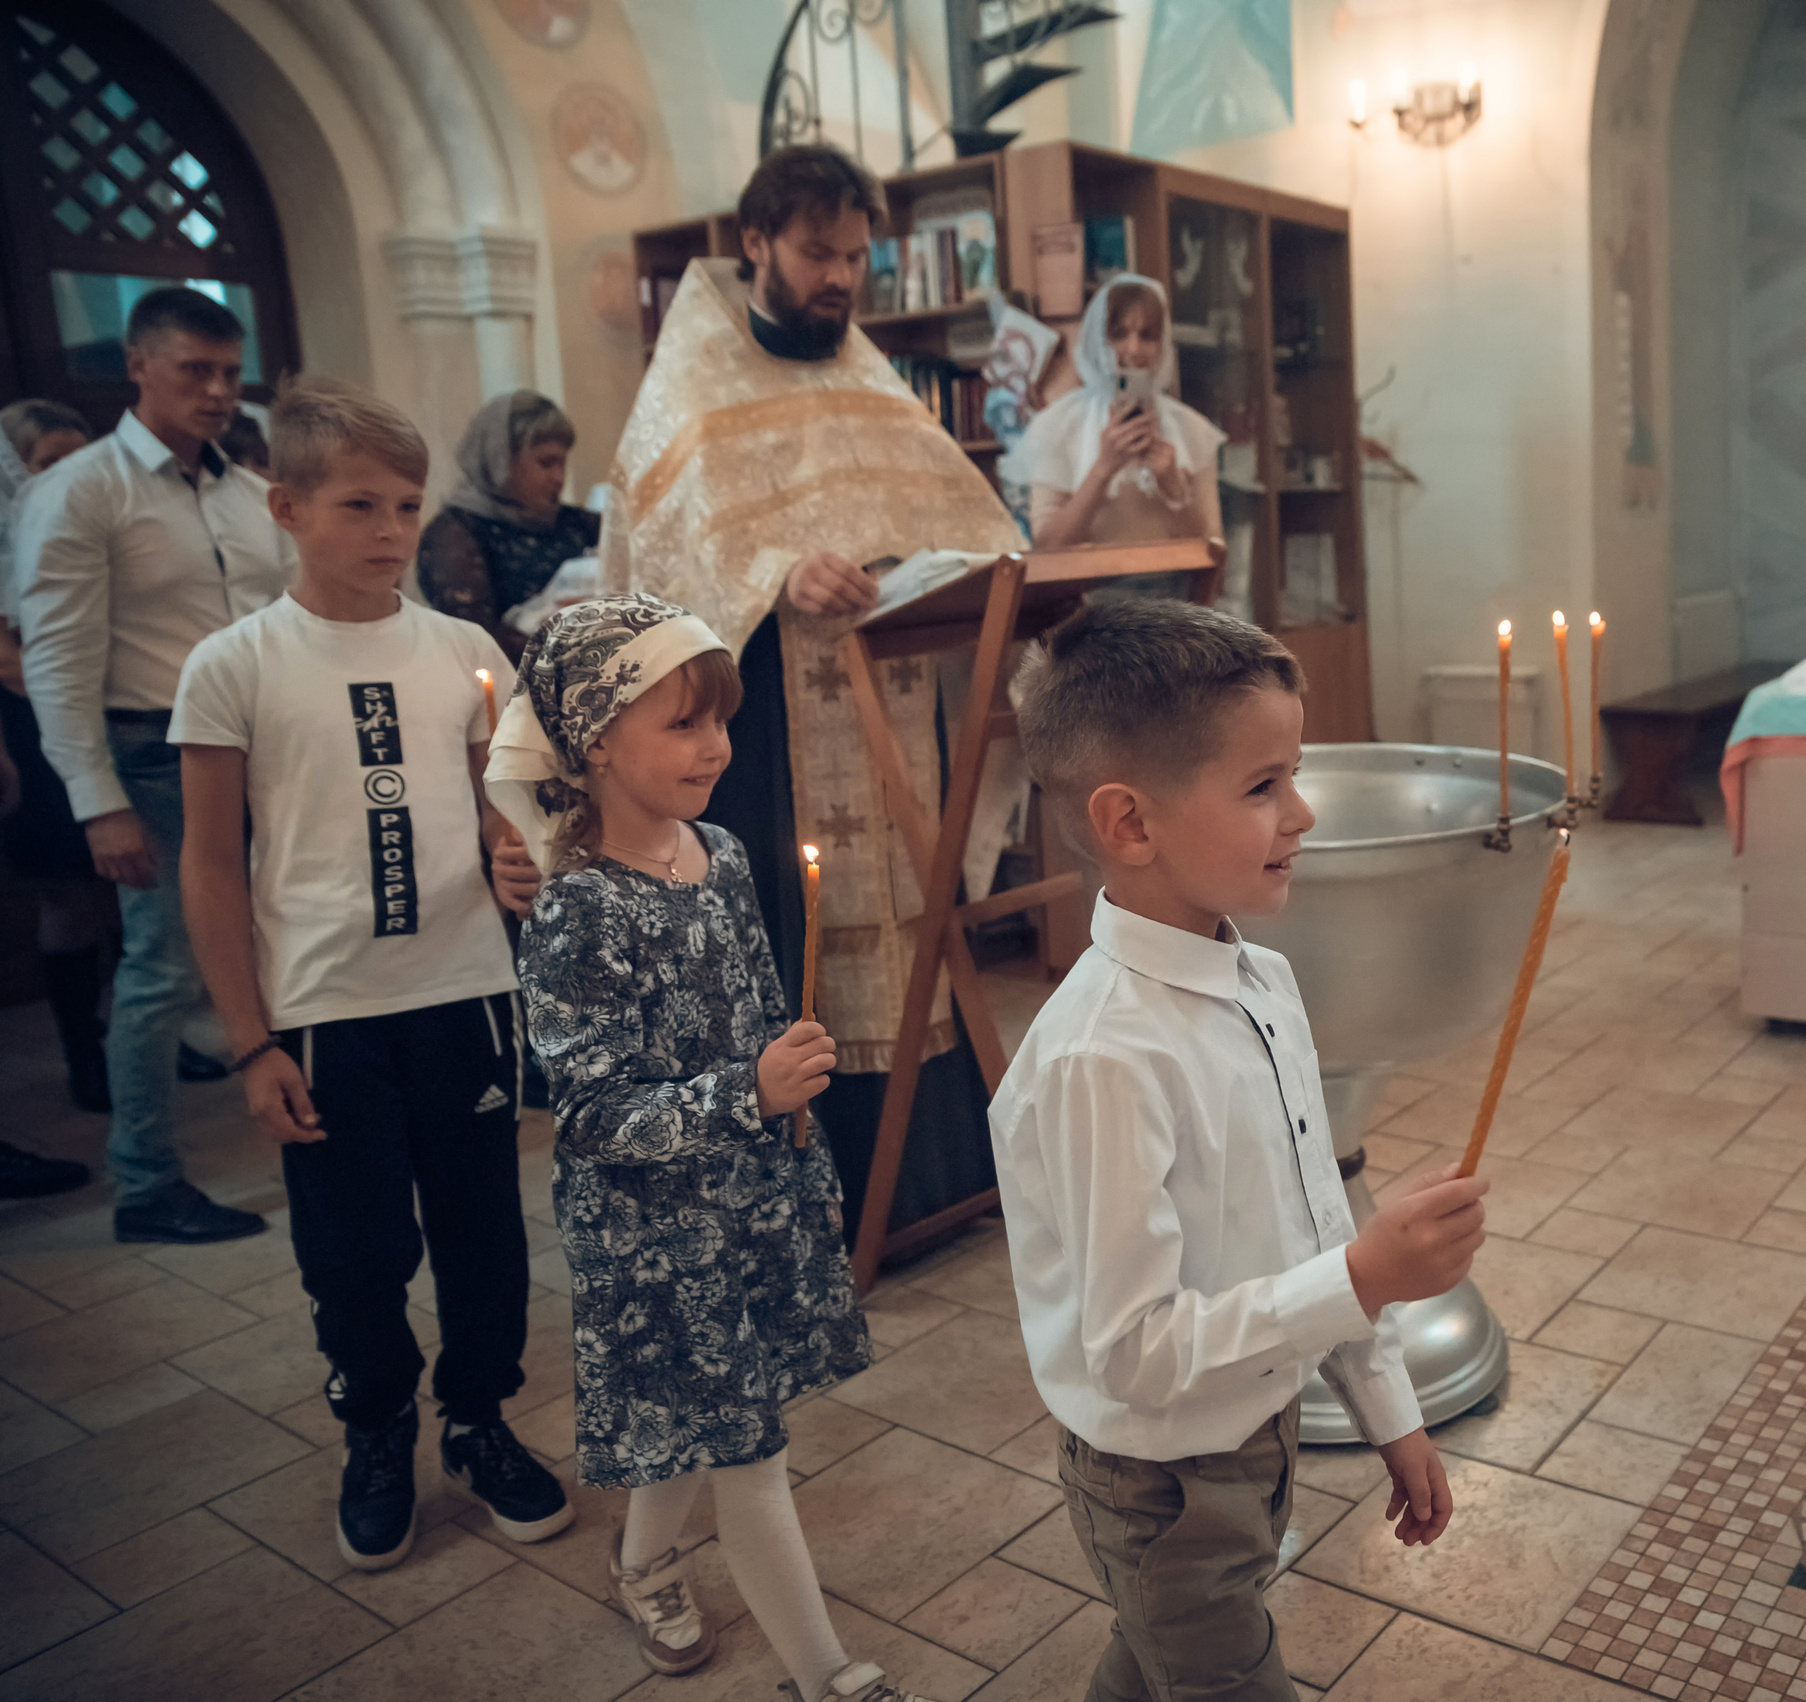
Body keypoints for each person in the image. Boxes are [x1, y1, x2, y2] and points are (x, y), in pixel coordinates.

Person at [995, 598, 1490, 1698]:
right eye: (1263, 785)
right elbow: (1133, 1352)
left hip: (1253, 1430)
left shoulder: (1261, 980)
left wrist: (1387, 1410)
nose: (1304, 812)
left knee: (1151, 1663)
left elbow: (1316, 1213)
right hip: (1157, 1484)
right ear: (1131, 823)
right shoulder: (1101, 1061)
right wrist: (1365, 1276)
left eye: (1293, 774)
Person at [493, 592, 936, 1702]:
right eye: (682, 723)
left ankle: (642, 1561)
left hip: (749, 1196)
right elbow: (588, 1112)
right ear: (596, 739)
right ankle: (827, 1675)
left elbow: (757, 1016)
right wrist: (746, 1089)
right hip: (656, 1237)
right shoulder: (577, 909)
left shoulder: (722, 853)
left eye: (720, 719)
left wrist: (801, 1157)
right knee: (750, 1449)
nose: (717, 747)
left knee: (709, 1416)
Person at [171, 375, 569, 1571]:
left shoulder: (461, 651)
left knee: (485, 1234)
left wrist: (519, 859)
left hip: (460, 994)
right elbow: (208, 868)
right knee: (351, 1252)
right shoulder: (234, 665)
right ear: (285, 506)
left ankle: (478, 1417)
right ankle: (379, 1424)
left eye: (406, 506)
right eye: (359, 506)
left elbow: (516, 817)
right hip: (326, 1013)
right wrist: (249, 1041)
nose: (392, 532)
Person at [601, 142, 1025, 1258]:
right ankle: (803, 1195)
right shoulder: (689, 381)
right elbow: (653, 566)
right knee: (791, 926)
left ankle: (924, 1177)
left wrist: (935, 570)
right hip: (765, 725)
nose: (841, 278)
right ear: (755, 243)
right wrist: (775, 580)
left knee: (903, 920)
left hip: (889, 697)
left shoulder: (861, 372)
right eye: (817, 252)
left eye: (856, 256)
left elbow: (959, 517)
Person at [12, 287, 288, 1244]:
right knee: (162, 968)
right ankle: (143, 1182)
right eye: (194, 371)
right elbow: (56, 661)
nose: (218, 391)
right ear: (138, 366)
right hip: (153, 750)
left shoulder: (252, 497)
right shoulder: (81, 491)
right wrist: (98, 802)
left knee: (284, 939)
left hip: (265, 746)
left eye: (228, 372)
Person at [0, 402, 116, 1145]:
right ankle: (85, 1057)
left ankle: (126, 1039)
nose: (66, 478)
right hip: (31, 725)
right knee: (69, 892)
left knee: (122, 893)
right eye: (48, 464)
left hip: (98, 715)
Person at [1015, 274, 1224, 552]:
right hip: (1087, 594)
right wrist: (1103, 469)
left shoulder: (1192, 431)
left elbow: (1213, 551)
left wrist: (1174, 487)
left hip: (1173, 591)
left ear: (1162, 344)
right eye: (1119, 334)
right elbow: (1046, 549)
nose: (1134, 349)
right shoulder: (1056, 427)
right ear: (1097, 340)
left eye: (1147, 335)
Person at [417, 390, 599, 663]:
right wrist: (572, 654)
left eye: (562, 463)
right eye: (546, 463)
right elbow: (477, 635)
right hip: (512, 688)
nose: (559, 477)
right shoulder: (455, 533)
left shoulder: (580, 523)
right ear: (500, 460)